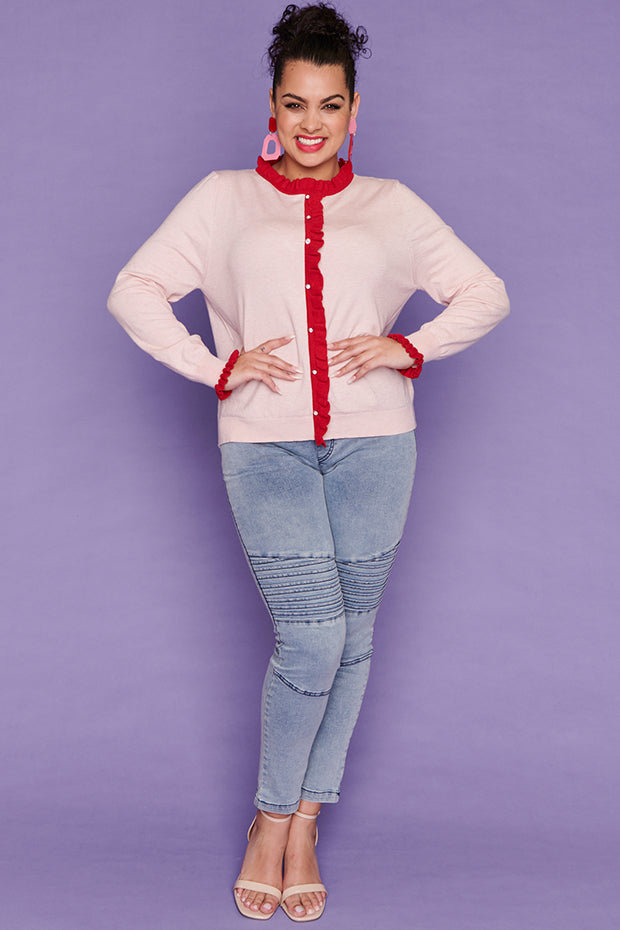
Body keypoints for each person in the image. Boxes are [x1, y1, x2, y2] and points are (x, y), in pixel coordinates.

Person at [107, 2, 509, 921]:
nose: (312, 124)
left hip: (378, 444)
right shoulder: (223, 199)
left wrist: (409, 347)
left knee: (354, 636)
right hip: (265, 445)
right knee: (314, 635)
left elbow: (485, 292)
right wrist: (217, 368)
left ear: (354, 110)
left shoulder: (392, 206)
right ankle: (269, 818)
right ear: (273, 107)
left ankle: (306, 822)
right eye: (295, 104)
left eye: (330, 105)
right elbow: (135, 289)